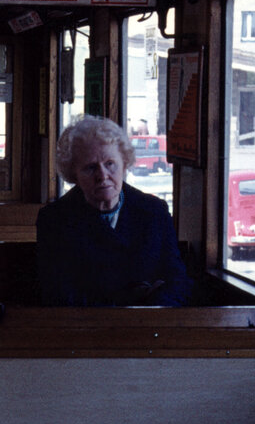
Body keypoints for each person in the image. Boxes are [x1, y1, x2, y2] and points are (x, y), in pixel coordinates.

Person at [36, 115, 193, 307]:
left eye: (110, 164)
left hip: (149, 328)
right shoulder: (55, 220)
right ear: (73, 174)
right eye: (90, 168)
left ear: (125, 163)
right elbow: (58, 294)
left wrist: (150, 312)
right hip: (86, 331)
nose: (102, 176)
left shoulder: (154, 212)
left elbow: (177, 282)